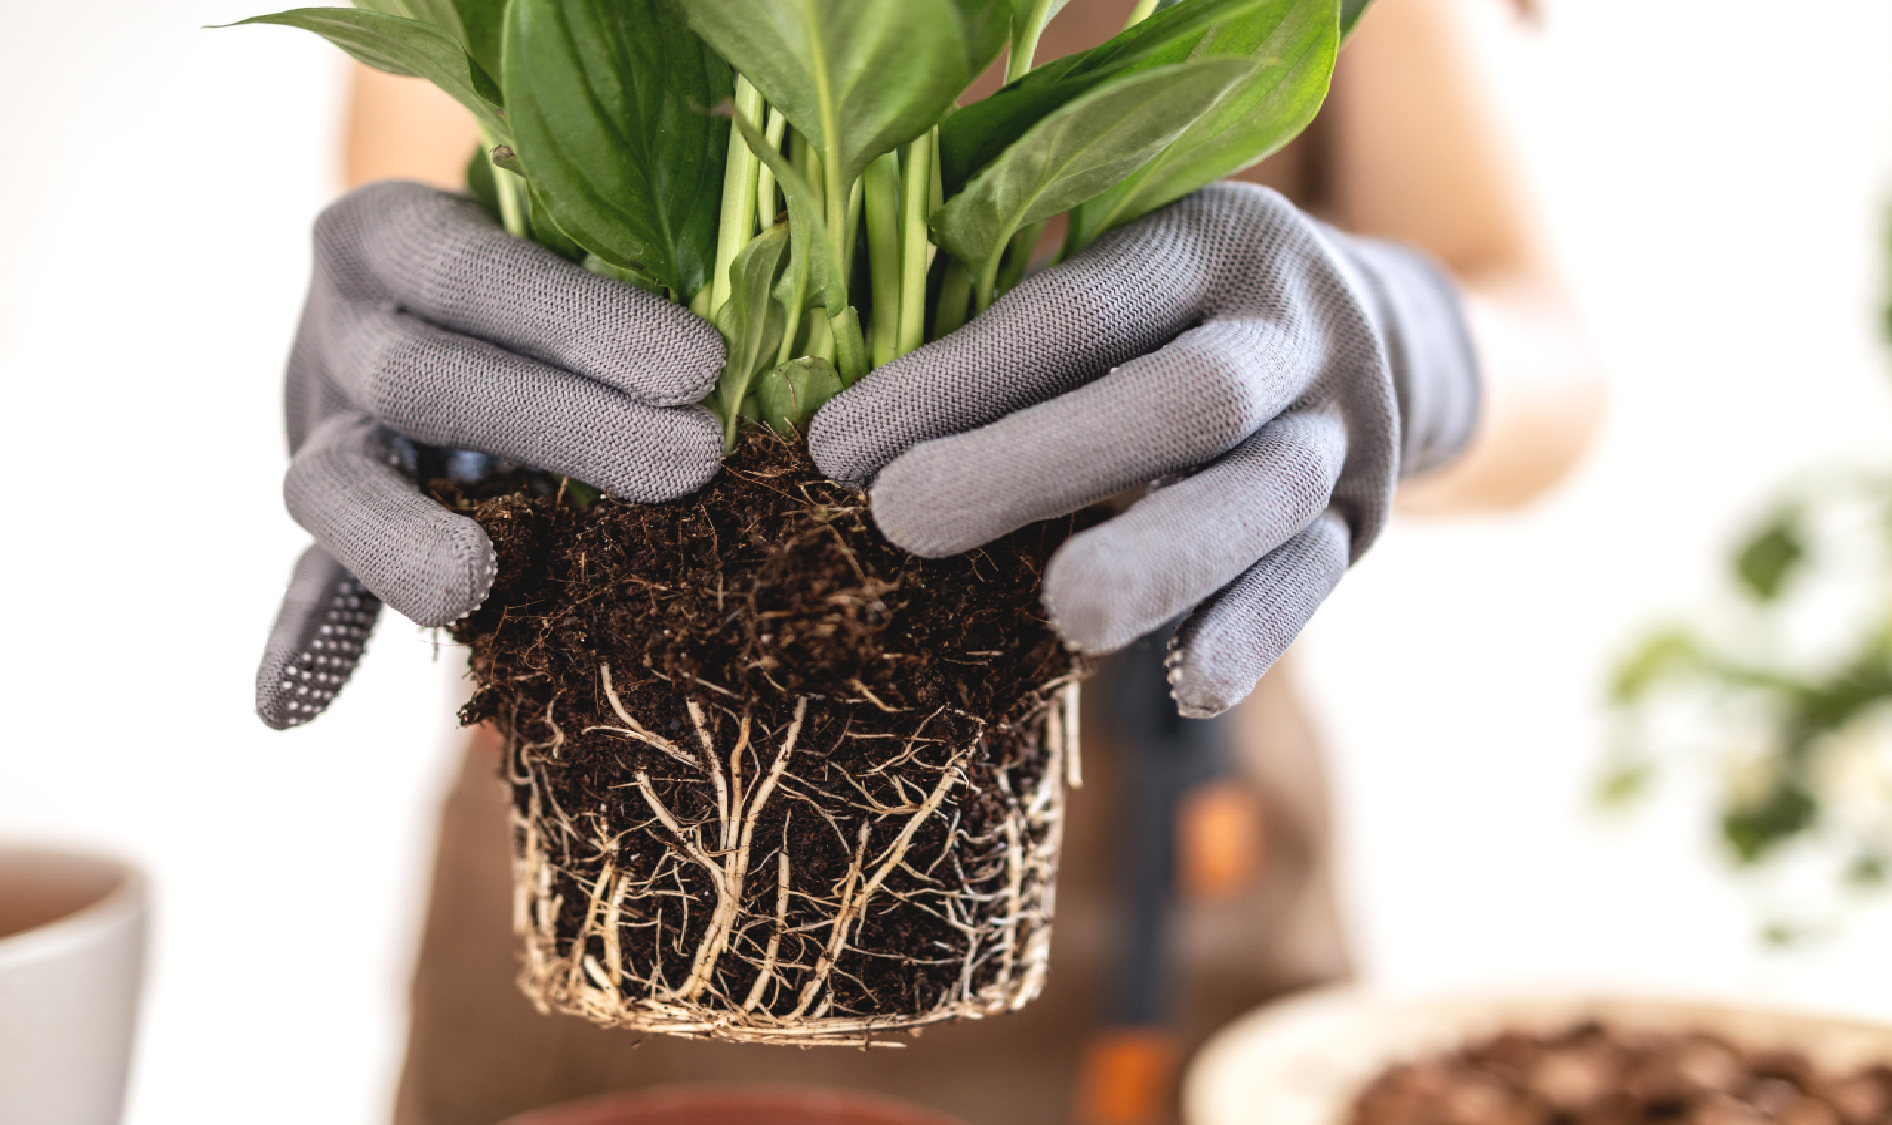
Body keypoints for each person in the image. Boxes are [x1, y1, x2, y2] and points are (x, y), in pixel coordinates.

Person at [259, 0, 1603, 1121]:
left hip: (1144, 868)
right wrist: (400, 340)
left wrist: (1399, 338)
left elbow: (1550, 348)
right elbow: (461, 138)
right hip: (626, 846)